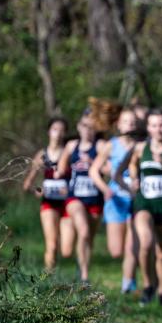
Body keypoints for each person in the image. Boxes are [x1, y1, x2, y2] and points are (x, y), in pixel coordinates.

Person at [116, 109, 162, 306]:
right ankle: (147, 285)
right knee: (145, 243)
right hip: (143, 202)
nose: (158, 129)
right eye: (154, 125)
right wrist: (131, 183)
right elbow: (119, 172)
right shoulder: (139, 148)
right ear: (148, 128)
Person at [90, 108, 140, 295]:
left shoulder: (140, 146)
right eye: (126, 121)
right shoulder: (111, 145)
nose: (130, 125)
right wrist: (106, 189)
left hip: (134, 199)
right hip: (115, 200)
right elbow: (94, 171)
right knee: (116, 251)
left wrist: (138, 181)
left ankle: (128, 282)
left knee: (131, 245)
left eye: (133, 121)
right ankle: (129, 278)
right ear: (118, 124)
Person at [56, 112, 107, 283]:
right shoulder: (72, 146)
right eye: (85, 126)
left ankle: (82, 266)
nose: (88, 130)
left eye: (92, 127)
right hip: (74, 197)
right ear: (79, 127)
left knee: (88, 238)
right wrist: (56, 174)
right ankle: (85, 276)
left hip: (94, 198)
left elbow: (108, 169)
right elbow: (61, 168)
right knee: (83, 230)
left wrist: (93, 163)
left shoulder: (100, 146)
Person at [22, 117, 69, 272]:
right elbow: (28, 183)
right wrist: (38, 190)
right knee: (52, 244)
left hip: (68, 202)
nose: (59, 133)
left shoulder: (69, 152)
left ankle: (65, 273)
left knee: (65, 248)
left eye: (62, 130)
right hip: (48, 202)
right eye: (55, 129)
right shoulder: (43, 155)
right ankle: (48, 278)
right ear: (49, 131)